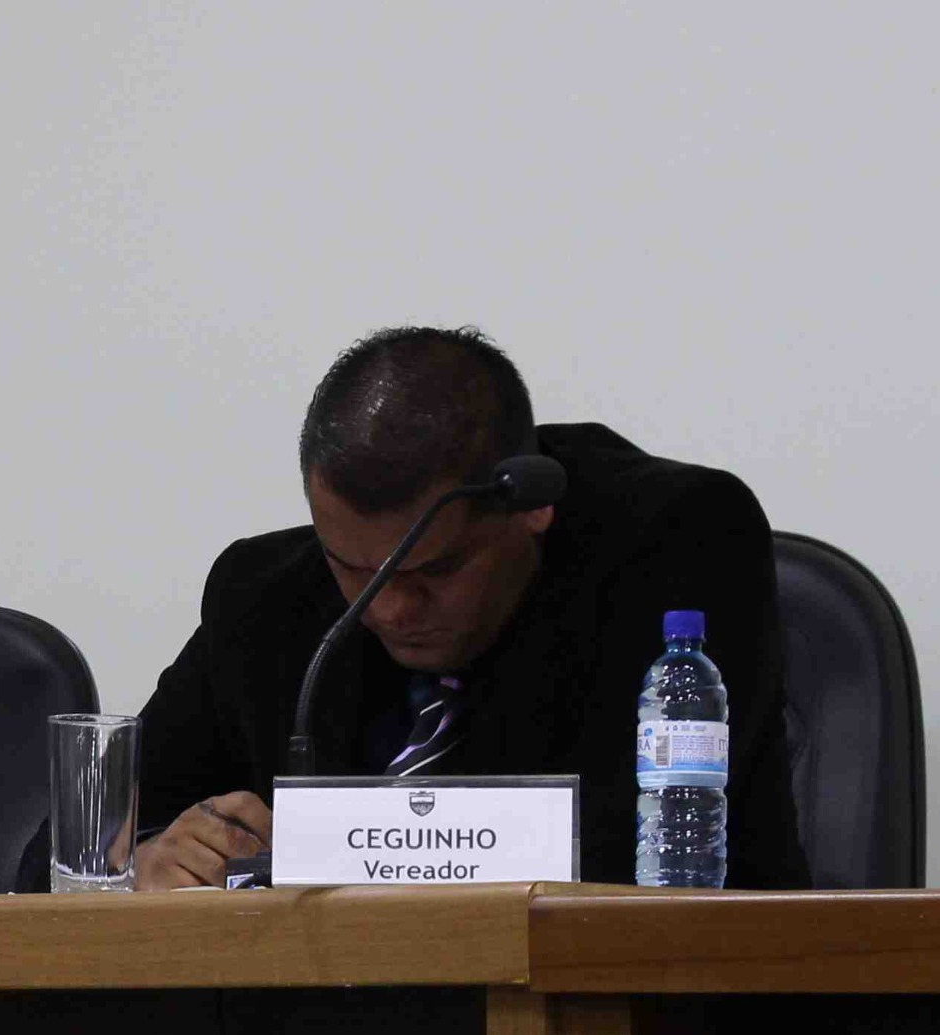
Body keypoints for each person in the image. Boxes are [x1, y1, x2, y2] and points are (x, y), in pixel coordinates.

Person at [134, 326, 805, 891]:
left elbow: (625, 853)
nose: (390, 609)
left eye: (434, 570)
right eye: (354, 570)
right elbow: (102, 830)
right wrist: (151, 858)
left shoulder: (675, 539)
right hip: (324, 1004)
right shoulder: (264, 596)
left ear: (533, 507)